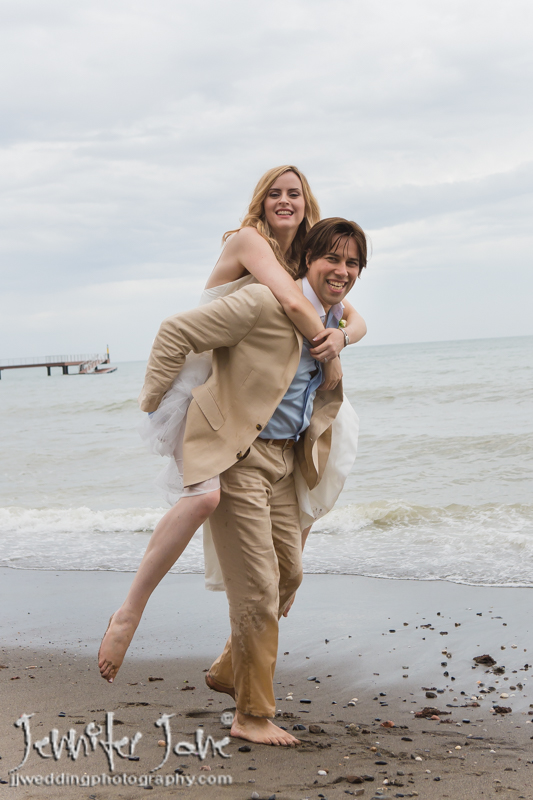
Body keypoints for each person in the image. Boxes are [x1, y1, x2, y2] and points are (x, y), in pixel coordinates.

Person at [98, 167, 366, 684]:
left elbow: (354, 317)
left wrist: (343, 339)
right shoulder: (249, 241)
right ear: (260, 201)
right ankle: (129, 611)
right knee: (202, 498)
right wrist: (329, 350)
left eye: (295, 194)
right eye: (274, 193)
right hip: (203, 383)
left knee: (304, 504)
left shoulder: (304, 260)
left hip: (252, 393)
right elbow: (291, 303)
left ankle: (236, 653)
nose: (284, 200)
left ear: (307, 203)